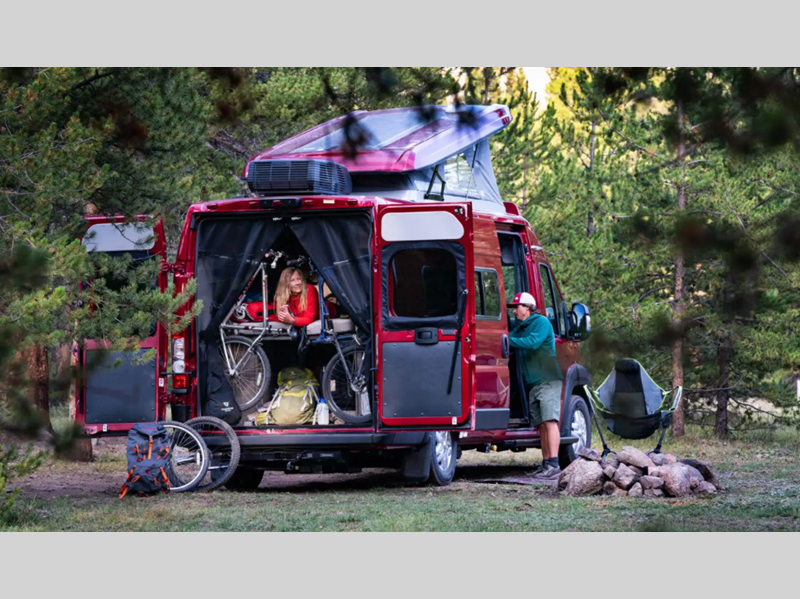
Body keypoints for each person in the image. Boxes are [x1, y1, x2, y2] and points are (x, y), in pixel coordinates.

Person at [507, 291, 564, 479]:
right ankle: (546, 464)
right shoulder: (520, 328)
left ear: (528, 308)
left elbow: (532, 343)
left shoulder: (541, 323)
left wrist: (507, 340)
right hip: (533, 382)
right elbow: (507, 337)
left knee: (550, 421)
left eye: (517, 307)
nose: (514, 311)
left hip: (548, 379)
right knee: (541, 425)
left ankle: (554, 465)